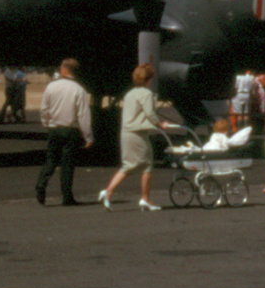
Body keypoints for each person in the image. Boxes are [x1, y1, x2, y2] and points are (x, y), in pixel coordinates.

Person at [99, 63, 170, 211]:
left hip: (126, 132)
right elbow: (150, 114)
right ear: (149, 79)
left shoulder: (129, 93)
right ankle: (145, 199)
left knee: (129, 164)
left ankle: (109, 191)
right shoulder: (147, 94)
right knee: (147, 164)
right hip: (137, 133)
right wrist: (160, 124)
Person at [35, 59, 93, 206]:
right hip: (70, 130)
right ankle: (67, 196)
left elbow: (44, 109)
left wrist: (47, 123)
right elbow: (83, 115)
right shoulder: (78, 90)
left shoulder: (51, 87)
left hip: (54, 129)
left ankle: (41, 183)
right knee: (67, 164)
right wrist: (88, 136)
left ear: (64, 69)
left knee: (51, 159)